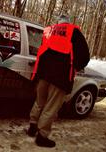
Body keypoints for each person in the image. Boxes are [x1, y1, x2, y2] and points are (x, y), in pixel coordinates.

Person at [26, 15, 90, 148]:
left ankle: (32, 127)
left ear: (58, 23)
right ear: (68, 23)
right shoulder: (74, 32)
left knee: (39, 101)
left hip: (43, 74)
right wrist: (75, 67)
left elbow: (41, 52)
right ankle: (42, 136)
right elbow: (85, 56)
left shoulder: (49, 30)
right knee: (51, 107)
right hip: (60, 77)